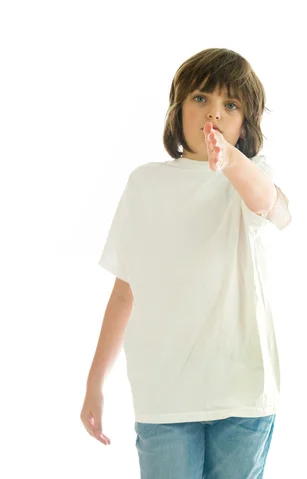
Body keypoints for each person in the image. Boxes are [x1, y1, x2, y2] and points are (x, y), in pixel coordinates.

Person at [80, 47, 291, 479]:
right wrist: (94, 385)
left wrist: (230, 159)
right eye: (201, 99)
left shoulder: (250, 174)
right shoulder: (146, 183)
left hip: (242, 394)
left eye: (230, 105)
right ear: (177, 111)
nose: (213, 114)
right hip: (165, 398)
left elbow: (273, 206)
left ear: (245, 124)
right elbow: (125, 292)